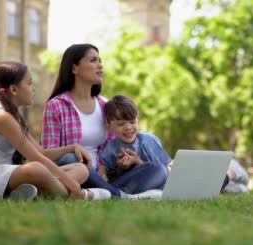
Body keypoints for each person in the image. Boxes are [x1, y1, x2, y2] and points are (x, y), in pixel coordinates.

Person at [0, 61, 109, 201]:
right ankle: (82, 195)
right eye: (29, 83)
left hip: (5, 175)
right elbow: (36, 158)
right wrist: (72, 185)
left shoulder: (13, 115)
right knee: (36, 168)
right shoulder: (2, 117)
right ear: (14, 89)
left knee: (81, 169)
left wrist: (73, 147)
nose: (33, 88)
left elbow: (42, 152)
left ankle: (33, 194)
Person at [41, 44, 162, 199]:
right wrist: (72, 149)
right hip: (76, 174)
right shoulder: (56, 106)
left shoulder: (105, 105)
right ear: (74, 68)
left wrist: (121, 163)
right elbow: (48, 157)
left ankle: (102, 193)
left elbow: (112, 149)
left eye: (100, 60)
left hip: (107, 177)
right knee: (70, 158)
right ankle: (118, 196)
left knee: (157, 169)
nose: (100, 65)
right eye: (93, 60)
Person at [98, 95, 170, 197]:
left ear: (138, 121)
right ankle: (117, 193)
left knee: (160, 170)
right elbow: (107, 171)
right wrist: (117, 169)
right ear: (108, 126)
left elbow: (166, 170)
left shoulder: (149, 141)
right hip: (129, 184)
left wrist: (138, 162)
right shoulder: (111, 148)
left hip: (152, 181)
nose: (128, 127)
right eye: (121, 124)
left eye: (132, 122)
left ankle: (114, 193)